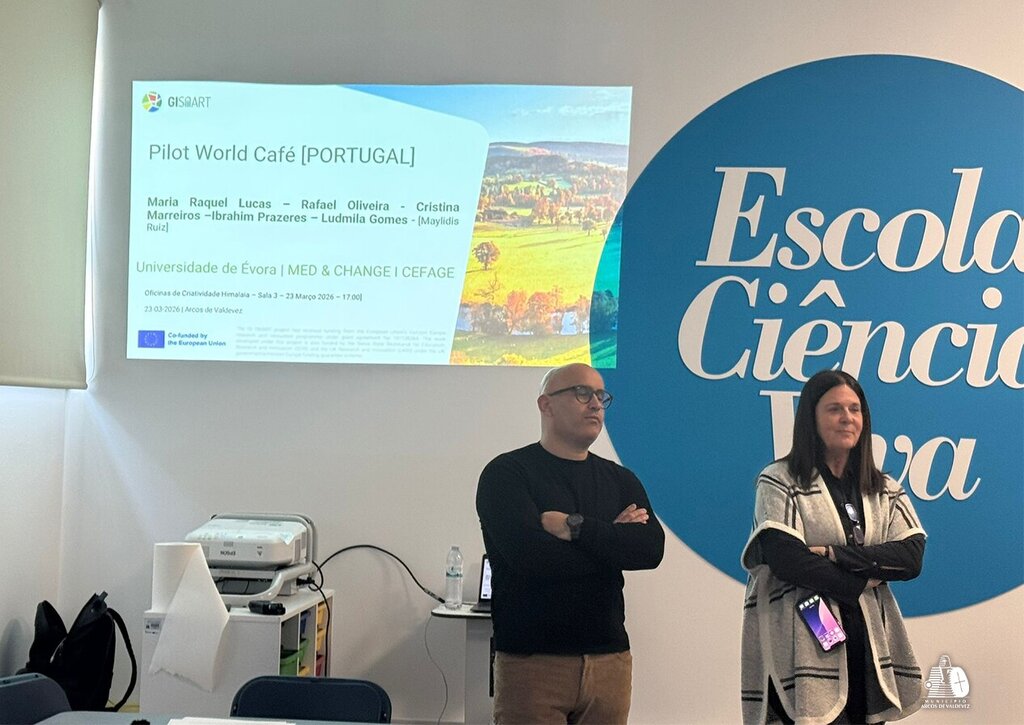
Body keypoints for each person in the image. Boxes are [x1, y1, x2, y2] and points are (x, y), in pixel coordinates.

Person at [476, 363, 665, 724]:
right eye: (582, 392)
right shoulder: (507, 474)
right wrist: (612, 539)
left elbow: (650, 550)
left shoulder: (620, 479)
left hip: (610, 661)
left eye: (601, 395)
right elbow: (533, 559)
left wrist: (576, 527)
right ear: (545, 404)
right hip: (531, 663)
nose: (595, 404)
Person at [741, 370, 927, 724]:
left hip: (866, 639)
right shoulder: (780, 480)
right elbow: (787, 560)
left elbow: (910, 557)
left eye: (855, 409)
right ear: (810, 418)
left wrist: (834, 554)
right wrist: (862, 579)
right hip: (802, 632)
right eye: (834, 409)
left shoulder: (884, 487)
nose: (847, 418)